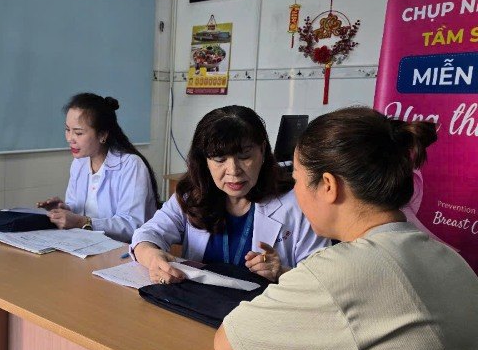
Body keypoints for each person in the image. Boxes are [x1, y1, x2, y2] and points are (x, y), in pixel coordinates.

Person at [215, 107, 478, 350]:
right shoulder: (448, 258)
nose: (295, 190)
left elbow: (230, 345)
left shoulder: (341, 273)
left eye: (296, 178)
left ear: (328, 186)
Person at [131, 105, 327, 284]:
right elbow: (147, 234)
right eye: (219, 159)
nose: (233, 170)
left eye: (245, 156)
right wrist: (152, 256)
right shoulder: (193, 195)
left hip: (263, 307)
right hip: (200, 303)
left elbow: (323, 280)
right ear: (205, 160)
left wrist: (281, 272)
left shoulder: (297, 204)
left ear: (262, 151)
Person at [37, 93, 159, 243]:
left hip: (124, 250)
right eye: (67, 130)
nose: (69, 138)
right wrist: (65, 211)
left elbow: (132, 226)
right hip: (86, 245)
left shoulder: (131, 165)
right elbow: (81, 211)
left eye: (78, 133)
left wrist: (82, 222)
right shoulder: (79, 163)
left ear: (102, 135)